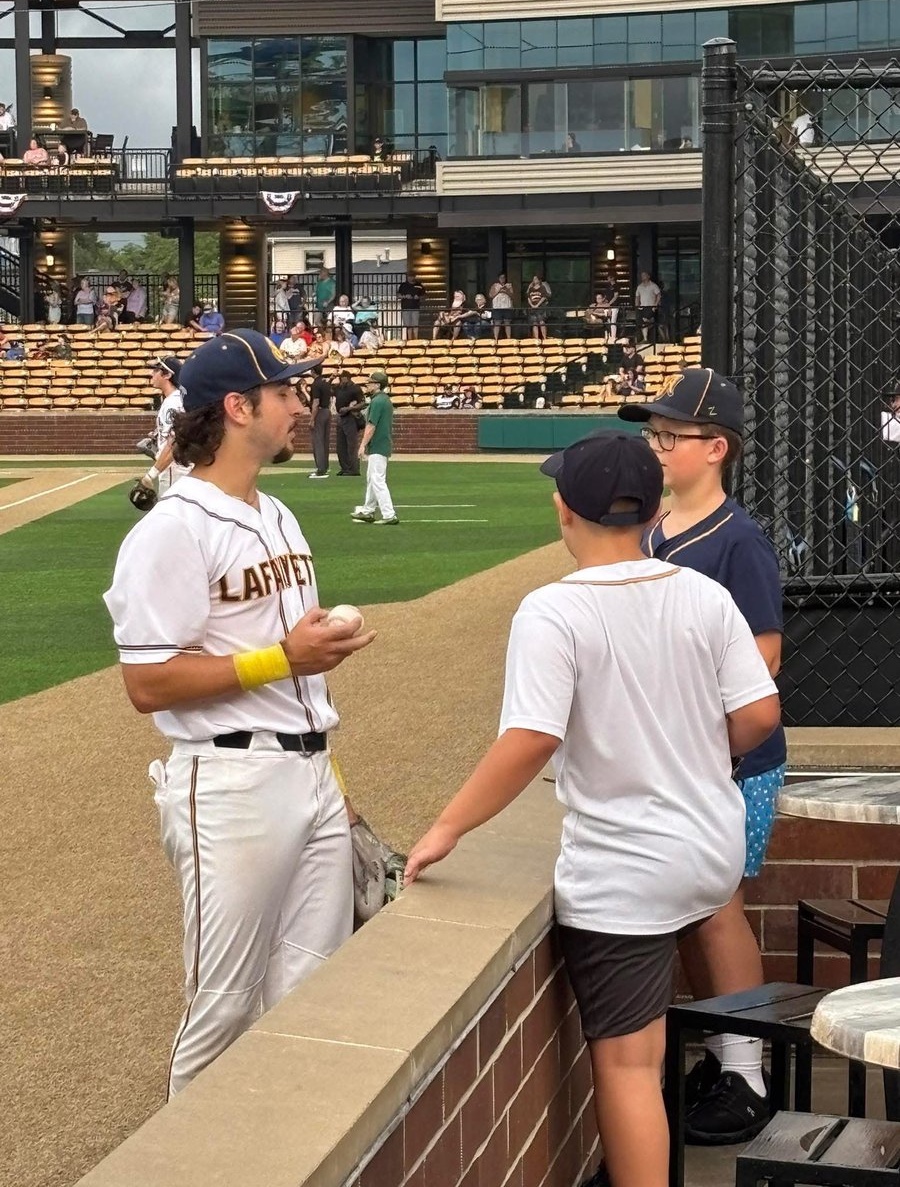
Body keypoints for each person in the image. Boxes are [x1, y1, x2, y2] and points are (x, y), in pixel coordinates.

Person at [403, 430, 780, 1187]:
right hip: (711, 851)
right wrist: (699, 752)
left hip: (626, 871)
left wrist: (447, 826)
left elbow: (530, 739)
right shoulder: (702, 593)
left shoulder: (553, 609)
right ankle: (738, 1073)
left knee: (630, 1065)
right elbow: (759, 714)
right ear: (651, 511)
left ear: (563, 510)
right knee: (656, 1035)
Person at [103, 328, 375, 1097]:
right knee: (223, 1005)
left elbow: (289, 660)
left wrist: (335, 780)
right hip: (230, 781)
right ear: (236, 407)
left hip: (311, 771)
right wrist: (282, 659)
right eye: (285, 392)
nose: (301, 405)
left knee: (311, 992)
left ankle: (283, 1150)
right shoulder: (171, 530)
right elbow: (147, 683)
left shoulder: (278, 514)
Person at [619, 369, 787, 1145]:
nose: (655, 447)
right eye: (651, 434)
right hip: (675, 758)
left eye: (669, 435)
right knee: (695, 905)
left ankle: (749, 1072)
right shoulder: (650, 530)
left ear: (715, 448)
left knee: (718, 906)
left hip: (733, 758)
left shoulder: (738, 540)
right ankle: (724, 1052)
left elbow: (764, 657)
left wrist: (694, 734)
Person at [133, 356, 189, 501]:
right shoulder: (174, 400)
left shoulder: (173, 404)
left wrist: (150, 476)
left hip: (175, 472)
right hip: (177, 471)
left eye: (156, 370)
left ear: (167, 375)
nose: (151, 373)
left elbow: (175, 445)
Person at [351, 371, 397, 525]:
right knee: (372, 479)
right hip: (380, 444)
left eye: (370, 383)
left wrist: (362, 445)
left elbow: (371, 426)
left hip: (378, 444)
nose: (367, 385)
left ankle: (389, 514)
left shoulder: (377, 402)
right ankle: (368, 510)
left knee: (377, 480)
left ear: (377, 385)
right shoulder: (383, 400)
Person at [335, 368, 366, 476]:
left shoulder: (355, 389)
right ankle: (345, 467)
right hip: (340, 417)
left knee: (351, 445)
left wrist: (349, 408)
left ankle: (354, 469)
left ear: (347, 379)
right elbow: (328, 390)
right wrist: (331, 378)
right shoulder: (339, 388)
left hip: (351, 417)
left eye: (342, 378)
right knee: (340, 445)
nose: (341, 381)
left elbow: (362, 403)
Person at [308, 366, 333, 480]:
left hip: (320, 412)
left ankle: (321, 469)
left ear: (313, 371)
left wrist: (312, 419)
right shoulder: (325, 382)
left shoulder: (316, 384)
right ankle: (325, 466)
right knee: (325, 441)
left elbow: (316, 402)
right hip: (327, 411)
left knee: (318, 441)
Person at [635, 271, 661, 344]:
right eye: (642, 275)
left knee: (645, 320)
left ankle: (650, 324)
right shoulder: (639, 287)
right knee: (642, 322)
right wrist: (637, 306)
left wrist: (655, 305)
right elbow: (637, 297)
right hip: (642, 307)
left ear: (648, 276)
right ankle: (645, 338)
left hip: (651, 307)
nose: (642, 277)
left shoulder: (654, 285)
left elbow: (658, 295)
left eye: (644, 275)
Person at [398, 272, 425, 340]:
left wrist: (418, 297)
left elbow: (424, 296)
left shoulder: (419, 285)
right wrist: (405, 296)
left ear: (414, 277)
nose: (410, 278)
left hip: (415, 308)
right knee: (408, 325)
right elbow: (398, 295)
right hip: (405, 308)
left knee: (415, 325)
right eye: (409, 276)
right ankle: (410, 340)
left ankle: (416, 339)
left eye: (412, 276)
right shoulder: (403, 285)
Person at [525, 274, 552, 342]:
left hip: (540, 307)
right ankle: (536, 339)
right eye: (533, 279)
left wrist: (537, 305)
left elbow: (544, 297)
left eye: (536, 279)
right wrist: (531, 305)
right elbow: (528, 297)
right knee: (534, 323)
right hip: (532, 308)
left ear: (539, 280)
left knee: (541, 321)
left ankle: (544, 338)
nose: (534, 280)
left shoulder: (542, 287)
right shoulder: (531, 288)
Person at [489, 273, 515, 339]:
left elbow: (512, 296)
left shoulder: (509, 285)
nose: (502, 279)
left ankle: (508, 338)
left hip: (507, 306)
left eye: (504, 277)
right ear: (498, 278)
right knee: (497, 323)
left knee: (507, 323)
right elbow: (491, 295)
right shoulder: (494, 285)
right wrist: (499, 290)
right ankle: (496, 338)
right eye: (501, 278)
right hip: (497, 306)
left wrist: (506, 290)